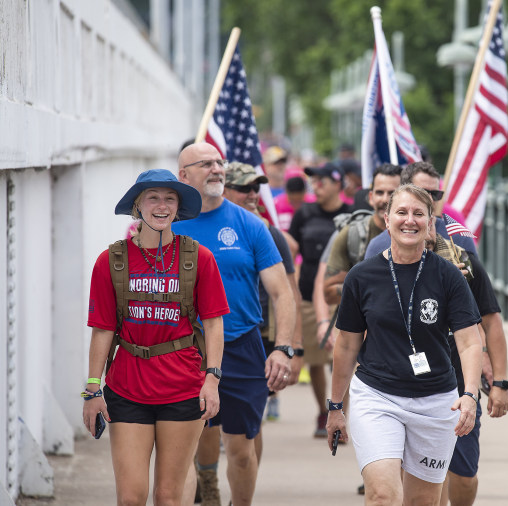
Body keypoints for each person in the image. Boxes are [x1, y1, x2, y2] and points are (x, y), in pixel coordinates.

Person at [327, 184, 483, 505]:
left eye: (418, 214)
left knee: (422, 502)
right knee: (383, 494)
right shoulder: (361, 276)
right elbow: (346, 346)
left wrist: (469, 394)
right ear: (387, 219)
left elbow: (469, 342)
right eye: (401, 212)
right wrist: (335, 406)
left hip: (436, 401)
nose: (409, 220)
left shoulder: (448, 276)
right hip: (377, 396)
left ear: (430, 224)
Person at [83, 169, 227, 506]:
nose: (161, 206)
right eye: (153, 198)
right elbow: (103, 329)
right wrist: (92, 389)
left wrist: (213, 379)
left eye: (169, 199)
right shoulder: (111, 261)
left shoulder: (199, 258)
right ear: (138, 205)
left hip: (183, 388)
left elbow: (214, 324)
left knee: (168, 496)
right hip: (126, 388)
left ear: (178, 208)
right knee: (131, 497)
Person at [174, 143, 296, 506]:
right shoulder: (169, 223)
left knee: (241, 450)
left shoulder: (251, 225)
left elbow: (282, 293)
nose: (217, 169)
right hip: (184, 349)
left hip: (242, 346)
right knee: (186, 444)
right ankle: (205, 484)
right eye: (206, 164)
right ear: (184, 176)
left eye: (219, 162)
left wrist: (283, 348)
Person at [425, 235, 508, 506]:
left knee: (463, 475)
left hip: (459, 387)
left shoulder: (464, 262)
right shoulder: (382, 259)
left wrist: (500, 383)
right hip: (407, 388)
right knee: (426, 477)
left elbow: (491, 321)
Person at [289, 161, 351, 437]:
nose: (317, 187)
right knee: (314, 359)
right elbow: (291, 249)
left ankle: (342, 413)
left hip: (344, 296)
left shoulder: (351, 214)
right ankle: (322, 411)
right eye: (314, 182)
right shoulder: (304, 213)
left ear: (338, 183)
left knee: (344, 358)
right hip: (309, 295)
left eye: (322, 181)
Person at [323, 163, 403, 306]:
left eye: (392, 193)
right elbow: (328, 294)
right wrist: (370, 283)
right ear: (371, 197)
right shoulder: (351, 233)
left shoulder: (416, 235)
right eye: (379, 192)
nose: (384, 199)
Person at [365, 162, 478, 259]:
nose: (429, 199)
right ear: (403, 190)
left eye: (434, 194)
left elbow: (477, 282)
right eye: (421, 192)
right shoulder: (377, 246)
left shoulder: (460, 238)